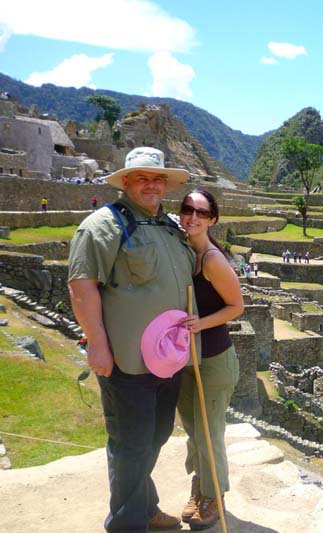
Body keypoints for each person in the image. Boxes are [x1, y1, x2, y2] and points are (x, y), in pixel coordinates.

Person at [68, 146, 196, 533]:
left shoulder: (171, 228)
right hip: (127, 360)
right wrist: (97, 343)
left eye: (158, 178)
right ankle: (127, 524)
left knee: (155, 437)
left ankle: (143, 505)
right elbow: (81, 285)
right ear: (125, 181)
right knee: (130, 445)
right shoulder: (103, 226)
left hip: (167, 359)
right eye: (143, 177)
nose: (152, 185)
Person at [176, 189, 243, 529]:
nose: (193, 216)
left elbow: (237, 306)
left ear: (212, 219)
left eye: (201, 212)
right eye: (188, 209)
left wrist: (200, 323)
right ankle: (199, 487)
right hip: (186, 360)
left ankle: (215, 495)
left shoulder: (213, 260)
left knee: (209, 433)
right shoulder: (185, 251)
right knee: (193, 431)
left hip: (214, 360)